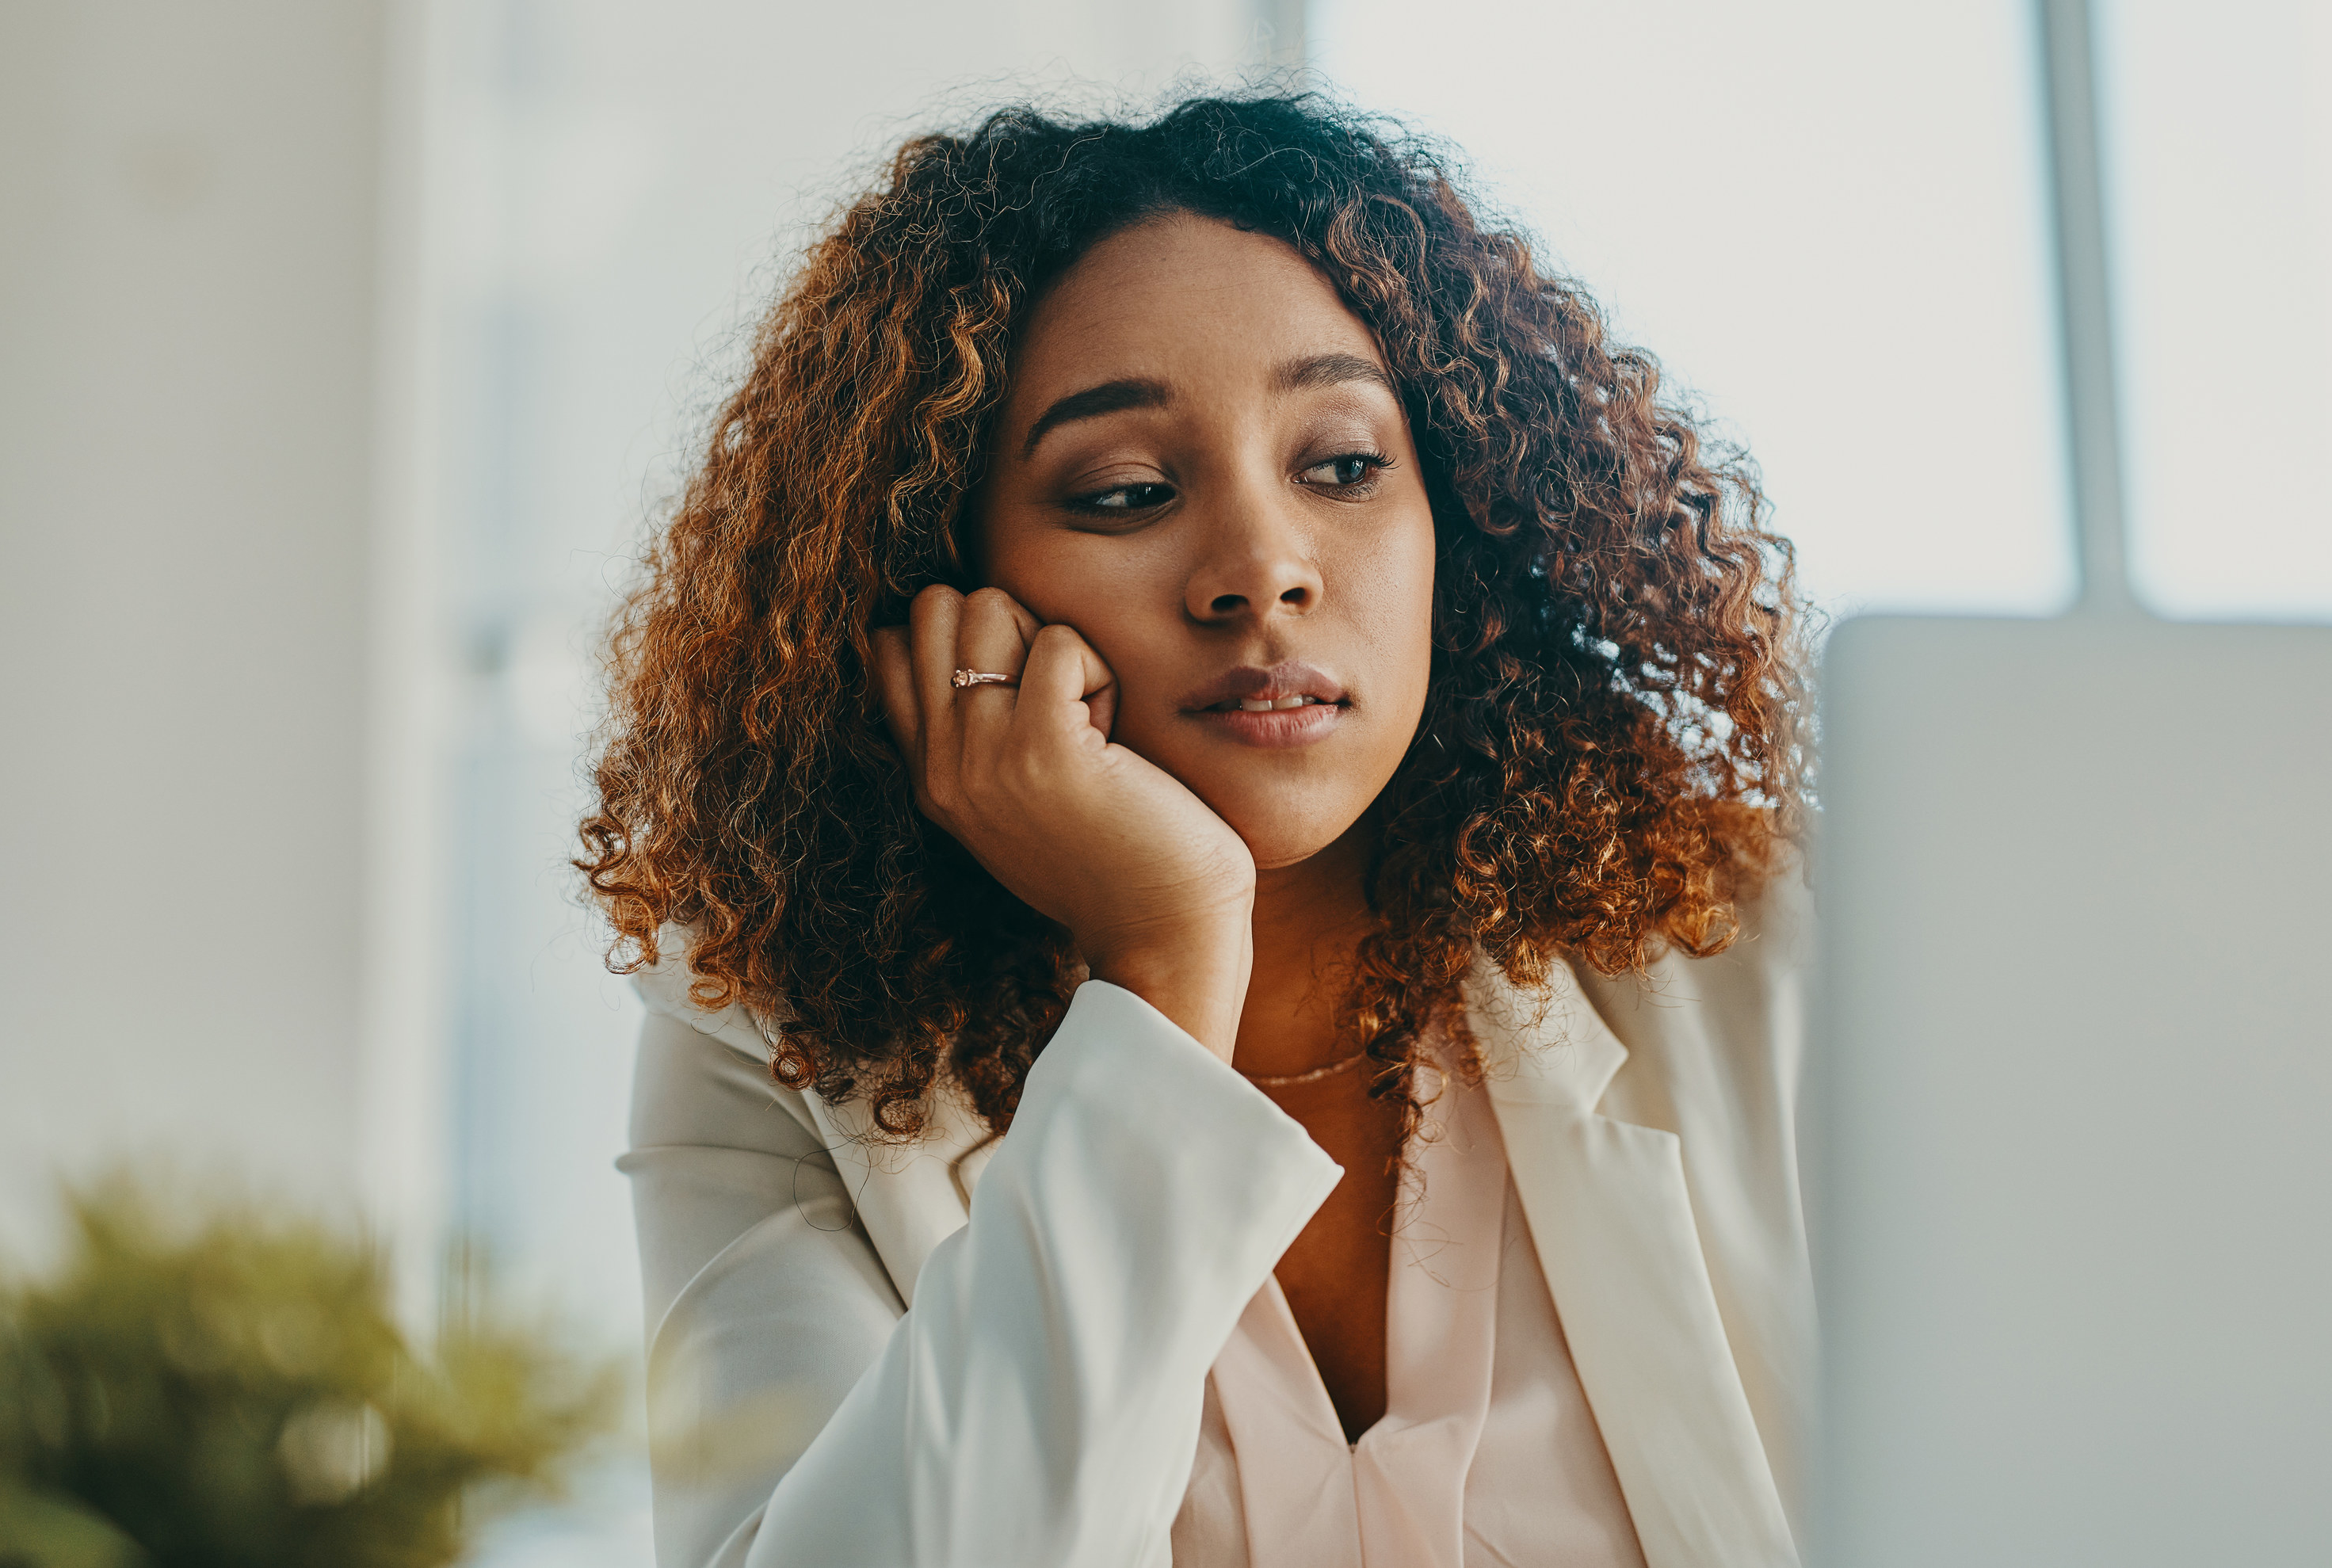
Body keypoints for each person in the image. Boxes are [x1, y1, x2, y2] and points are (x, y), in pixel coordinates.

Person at [582, 93, 1813, 1568]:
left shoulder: (1770, 950)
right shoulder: (773, 1033)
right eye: (1128, 492)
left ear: (1462, 523)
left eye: (1344, 466)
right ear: (939, 587)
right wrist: (1159, 978)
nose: (1261, 570)